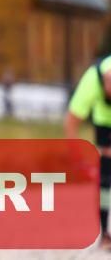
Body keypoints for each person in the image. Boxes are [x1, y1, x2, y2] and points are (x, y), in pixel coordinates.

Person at [64, 55, 111, 247]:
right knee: (106, 174)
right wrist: (76, 157)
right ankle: (105, 233)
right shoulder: (91, 81)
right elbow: (71, 122)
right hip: (104, 122)